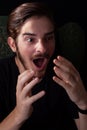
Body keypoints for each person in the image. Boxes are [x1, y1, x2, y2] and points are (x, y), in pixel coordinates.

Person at [0, 2, 87, 130]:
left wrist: (83, 103)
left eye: (48, 38)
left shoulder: (65, 73)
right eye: (30, 39)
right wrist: (18, 115)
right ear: (13, 44)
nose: (43, 48)